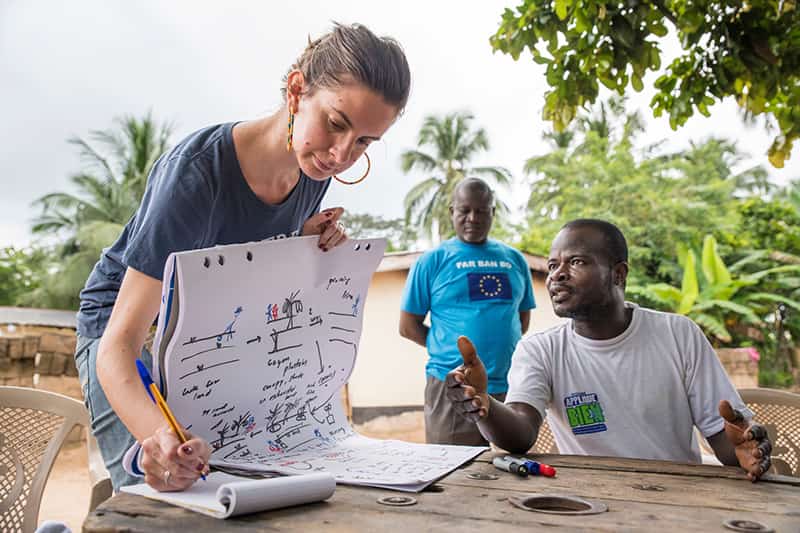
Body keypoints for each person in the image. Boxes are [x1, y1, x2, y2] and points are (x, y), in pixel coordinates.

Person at [74, 23, 411, 492]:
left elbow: (246, 261)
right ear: (297, 90)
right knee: (165, 488)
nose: (340, 154)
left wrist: (303, 240)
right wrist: (160, 439)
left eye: (363, 142)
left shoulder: (313, 171)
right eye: (336, 124)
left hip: (207, 338)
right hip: (127, 333)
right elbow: (118, 346)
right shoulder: (194, 179)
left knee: (237, 482)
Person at [446, 219, 772, 480]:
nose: (557, 275)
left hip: (677, 497)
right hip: (586, 499)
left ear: (618, 274)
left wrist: (744, 450)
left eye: (575, 262)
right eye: (552, 264)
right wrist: (484, 404)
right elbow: (521, 433)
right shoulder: (540, 349)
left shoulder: (677, 334)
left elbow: (725, 442)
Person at [399, 177, 536, 445]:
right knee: (451, 473)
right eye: (464, 210)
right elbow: (408, 326)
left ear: (493, 213)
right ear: (452, 212)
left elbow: (521, 319)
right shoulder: (432, 261)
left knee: (508, 470)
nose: (473, 218)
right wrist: (448, 348)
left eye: (482, 210)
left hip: (508, 387)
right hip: (452, 387)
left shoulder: (515, 260)